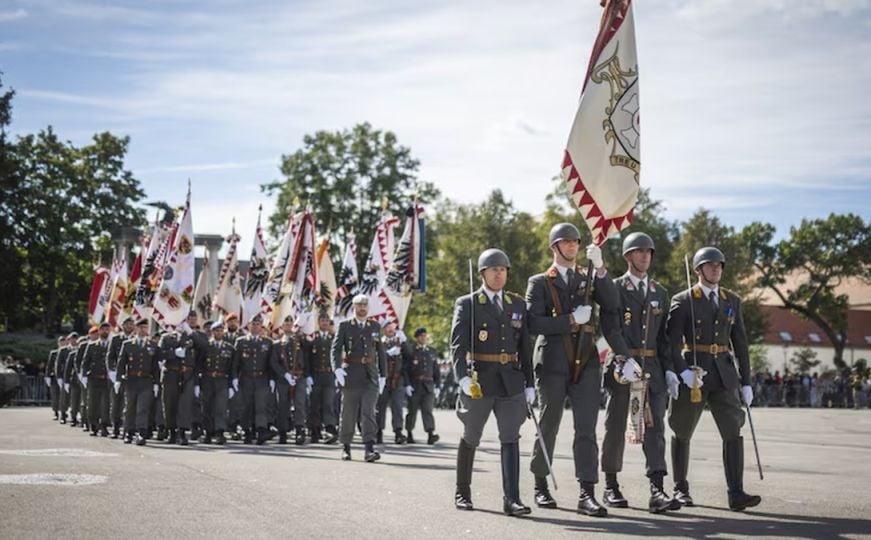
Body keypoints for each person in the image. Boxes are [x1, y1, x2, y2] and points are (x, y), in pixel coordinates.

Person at [525, 223, 621, 517]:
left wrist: (601, 268)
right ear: (554, 247)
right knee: (549, 423)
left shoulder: (589, 276)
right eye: (565, 242)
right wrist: (569, 320)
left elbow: (613, 303)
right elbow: (533, 324)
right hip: (553, 361)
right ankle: (541, 484)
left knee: (586, 428)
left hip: (587, 360)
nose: (572, 246)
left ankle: (587, 492)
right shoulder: (540, 282)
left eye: (575, 242)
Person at [666, 246, 761, 511]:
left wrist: (746, 381)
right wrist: (680, 370)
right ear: (698, 270)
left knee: (733, 430)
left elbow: (740, 343)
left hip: (724, 374)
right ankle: (680, 488)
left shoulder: (732, 300)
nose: (716, 268)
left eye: (719, 264)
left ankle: (736, 493)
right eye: (710, 265)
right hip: (694, 373)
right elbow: (671, 342)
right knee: (682, 429)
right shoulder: (684, 300)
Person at [451, 248, 534, 517]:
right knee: (471, 436)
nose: (499, 274)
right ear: (483, 273)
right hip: (480, 379)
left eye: (503, 269)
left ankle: (512, 499)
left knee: (510, 438)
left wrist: (530, 384)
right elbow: (456, 345)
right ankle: (462, 492)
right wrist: (461, 377)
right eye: (493, 269)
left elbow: (525, 348)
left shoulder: (517, 304)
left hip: (511, 380)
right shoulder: (469, 303)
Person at [599, 232, 678, 513]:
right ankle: (610, 485)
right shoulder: (614, 288)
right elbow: (610, 328)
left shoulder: (659, 292)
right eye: (639, 251)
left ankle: (657, 488)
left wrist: (670, 370)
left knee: (655, 428)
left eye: (649, 251)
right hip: (623, 369)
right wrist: (624, 357)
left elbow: (665, 338)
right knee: (616, 426)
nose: (645, 255)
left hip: (652, 370)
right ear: (628, 256)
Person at [331, 294, 386, 462]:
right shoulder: (345, 326)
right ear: (353, 307)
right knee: (348, 412)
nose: (362, 308)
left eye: (365, 305)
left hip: (370, 375)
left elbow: (380, 353)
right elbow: (335, 349)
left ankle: (369, 448)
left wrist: (383, 375)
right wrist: (338, 369)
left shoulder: (375, 326)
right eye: (359, 305)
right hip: (351, 374)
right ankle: (346, 447)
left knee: (368, 411)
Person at [116, 319, 160, 446]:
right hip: (131, 380)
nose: (143, 330)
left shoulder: (152, 345)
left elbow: (155, 366)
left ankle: (141, 432)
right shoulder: (128, 344)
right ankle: (128, 432)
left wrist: (156, 382)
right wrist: (118, 379)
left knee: (143, 408)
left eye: (145, 328)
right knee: (130, 407)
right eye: (141, 328)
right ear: (136, 329)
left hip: (146, 380)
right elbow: (121, 364)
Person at [232, 314, 274, 445]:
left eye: (258, 324)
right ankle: (247, 430)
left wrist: (272, 378)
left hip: (262, 378)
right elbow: (235, 363)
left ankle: (261, 430)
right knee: (246, 406)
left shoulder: (267, 342)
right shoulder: (241, 341)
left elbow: (271, 363)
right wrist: (234, 377)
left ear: (262, 326)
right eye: (253, 324)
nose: (255, 327)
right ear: (249, 326)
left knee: (261, 406)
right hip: (246, 378)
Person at [304, 314, 339, 444]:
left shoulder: (334, 338)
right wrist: (307, 375)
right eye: (322, 320)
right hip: (316, 375)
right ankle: (315, 430)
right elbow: (307, 359)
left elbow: (338, 357)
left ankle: (330, 428)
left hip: (329, 375)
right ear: (318, 322)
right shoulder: (313, 338)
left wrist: (337, 374)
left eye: (326, 321)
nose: (324, 323)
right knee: (315, 404)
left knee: (329, 403)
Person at [403, 327, 441, 445]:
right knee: (412, 411)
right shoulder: (411, 351)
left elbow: (436, 371)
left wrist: (438, 385)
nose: (424, 338)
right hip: (415, 385)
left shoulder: (432, 351)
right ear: (417, 338)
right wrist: (407, 385)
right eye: (421, 336)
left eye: (425, 336)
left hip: (428, 385)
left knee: (428, 410)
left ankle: (430, 434)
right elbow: (405, 370)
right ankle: (409, 433)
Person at [200, 320, 234, 444]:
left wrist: (231, 384)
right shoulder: (206, 346)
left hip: (222, 380)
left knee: (221, 407)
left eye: (221, 331)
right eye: (216, 331)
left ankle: (220, 432)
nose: (219, 333)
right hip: (208, 379)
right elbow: (200, 364)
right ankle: (208, 433)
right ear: (212, 332)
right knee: (207, 407)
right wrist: (199, 383)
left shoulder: (229, 348)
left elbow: (232, 368)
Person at [270, 316, 302, 444]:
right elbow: (274, 362)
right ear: (281, 326)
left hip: (299, 377)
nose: (288, 325)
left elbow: (306, 359)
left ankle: (299, 431)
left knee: (300, 404)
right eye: (286, 322)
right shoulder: (277, 344)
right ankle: (282, 433)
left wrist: (306, 375)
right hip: (283, 379)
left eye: (291, 322)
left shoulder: (300, 341)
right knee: (283, 405)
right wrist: (285, 375)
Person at [377, 321, 408, 445]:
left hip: (397, 379)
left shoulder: (399, 342)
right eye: (387, 327)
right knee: (380, 407)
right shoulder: (380, 342)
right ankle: (378, 431)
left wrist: (404, 342)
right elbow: (376, 356)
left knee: (397, 407)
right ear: (383, 329)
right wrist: (387, 353)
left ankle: (398, 432)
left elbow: (409, 355)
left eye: (392, 327)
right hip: (383, 379)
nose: (390, 329)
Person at [106, 317, 136, 438]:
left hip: (132, 376)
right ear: (122, 326)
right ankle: (116, 427)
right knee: (116, 403)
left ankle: (128, 429)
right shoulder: (116, 339)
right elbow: (110, 357)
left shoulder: (136, 339)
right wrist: (113, 372)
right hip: (118, 376)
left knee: (129, 404)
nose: (129, 326)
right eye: (127, 324)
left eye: (131, 324)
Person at [81, 322, 112, 437]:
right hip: (94, 379)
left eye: (107, 330)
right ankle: (93, 426)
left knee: (105, 404)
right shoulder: (92, 346)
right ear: (99, 331)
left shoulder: (111, 345)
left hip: (106, 379)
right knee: (93, 404)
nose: (105, 332)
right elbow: (85, 362)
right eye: (103, 329)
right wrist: (83, 376)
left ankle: (104, 426)